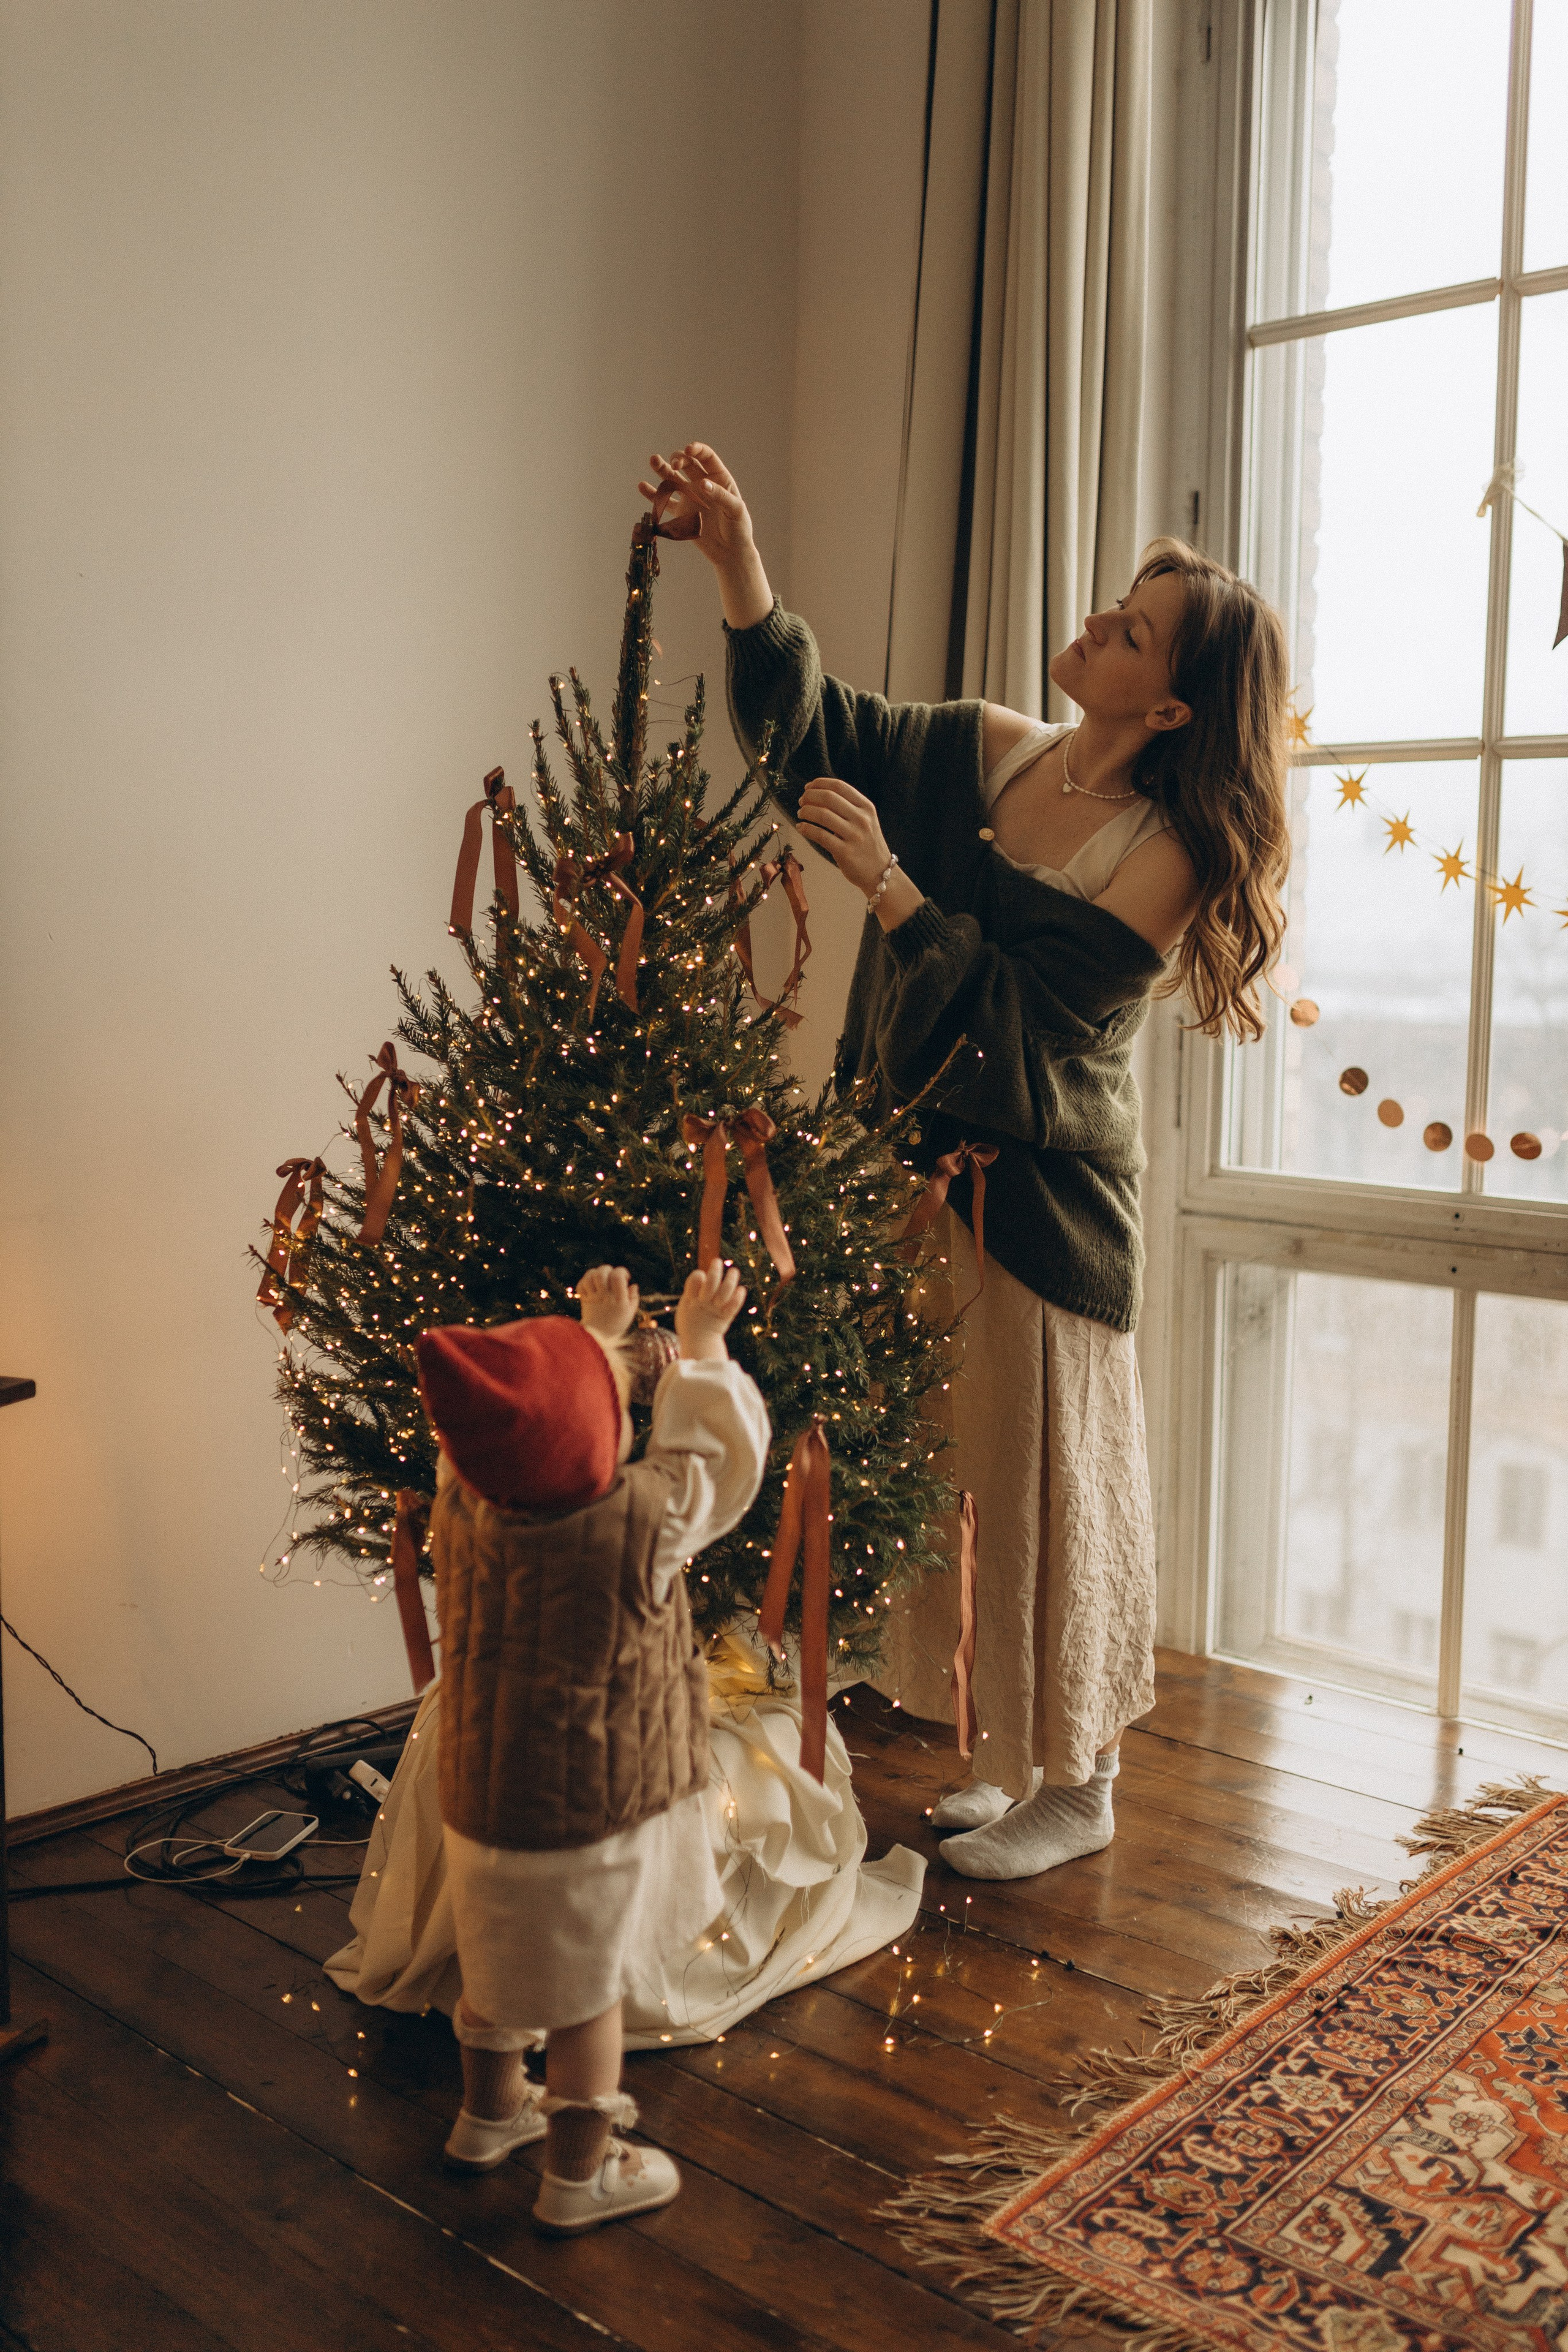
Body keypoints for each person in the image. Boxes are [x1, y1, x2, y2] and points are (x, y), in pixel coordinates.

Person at [638, 440, 1289, 1882]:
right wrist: (738, 563)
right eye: (1117, 602)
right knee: (951, 1483)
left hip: (1043, 1213)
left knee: (1046, 1489)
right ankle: (1003, 1752)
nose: (1099, 621)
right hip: (910, 1186)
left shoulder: (1165, 851)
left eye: (1134, 630)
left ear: (1169, 706)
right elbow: (813, 737)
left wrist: (889, 886)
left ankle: (1083, 1778)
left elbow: (1028, 1032)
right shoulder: (988, 746)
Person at [419, 1256, 768, 2232]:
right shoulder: (641, 1521)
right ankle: (579, 2177)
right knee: (587, 1998)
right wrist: (701, 1347)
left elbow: (508, 1425)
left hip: (483, 1804)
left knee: (495, 1965)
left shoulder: (462, 1501)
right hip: (587, 1819)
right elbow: (718, 1461)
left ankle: (488, 2119)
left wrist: (600, 1336)